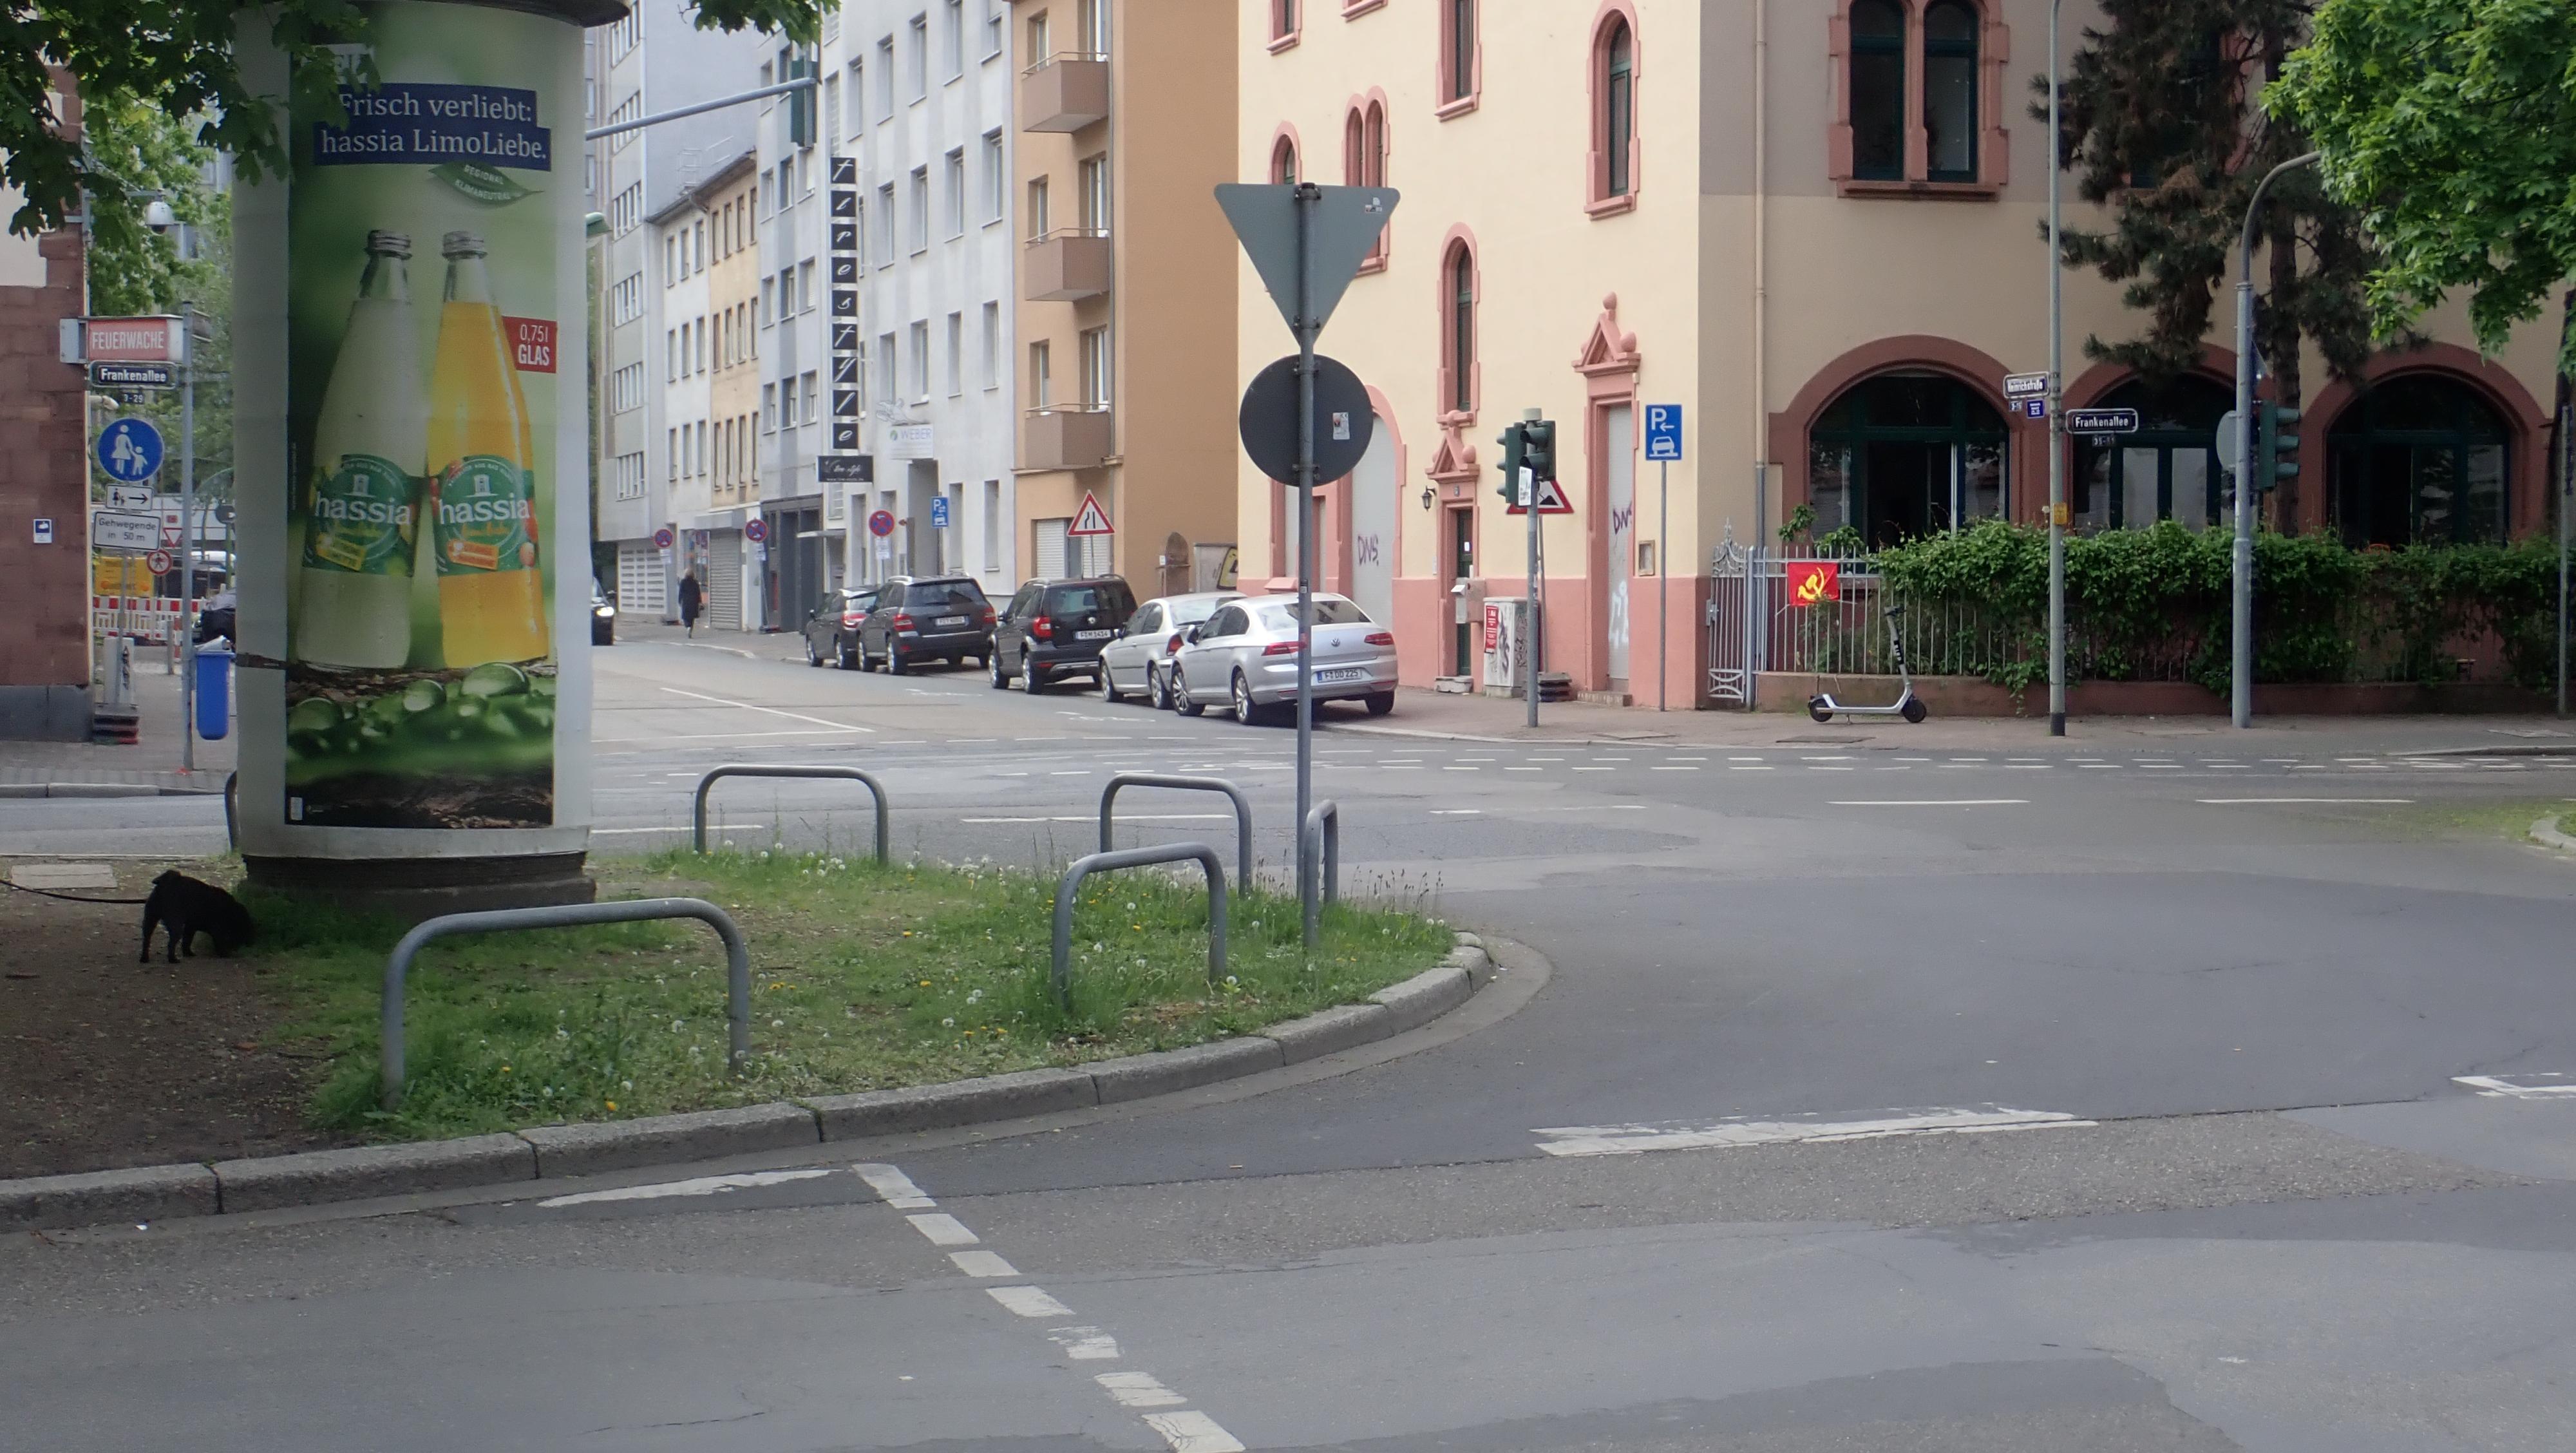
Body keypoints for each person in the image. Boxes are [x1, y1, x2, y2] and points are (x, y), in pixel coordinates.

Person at [677, 570, 703, 636]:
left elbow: (681, 592)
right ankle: (690, 628)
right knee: (692, 617)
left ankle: (688, 627)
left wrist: (680, 600)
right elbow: (698, 593)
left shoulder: (683, 582)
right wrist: (700, 601)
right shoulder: (695, 583)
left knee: (686, 616)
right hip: (694, 601)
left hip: (686, 601)